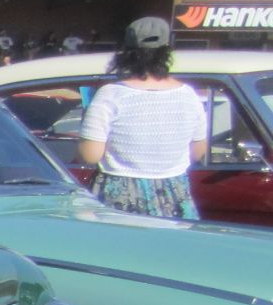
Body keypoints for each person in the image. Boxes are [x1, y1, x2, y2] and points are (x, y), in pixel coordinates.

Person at [76, 17, 207, 220]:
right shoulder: (188, 95)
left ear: (125, 53)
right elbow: (197, 152)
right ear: (167, 52)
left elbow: (90, 155)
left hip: (119, 195)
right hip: (174, 193)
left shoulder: (110, 94)